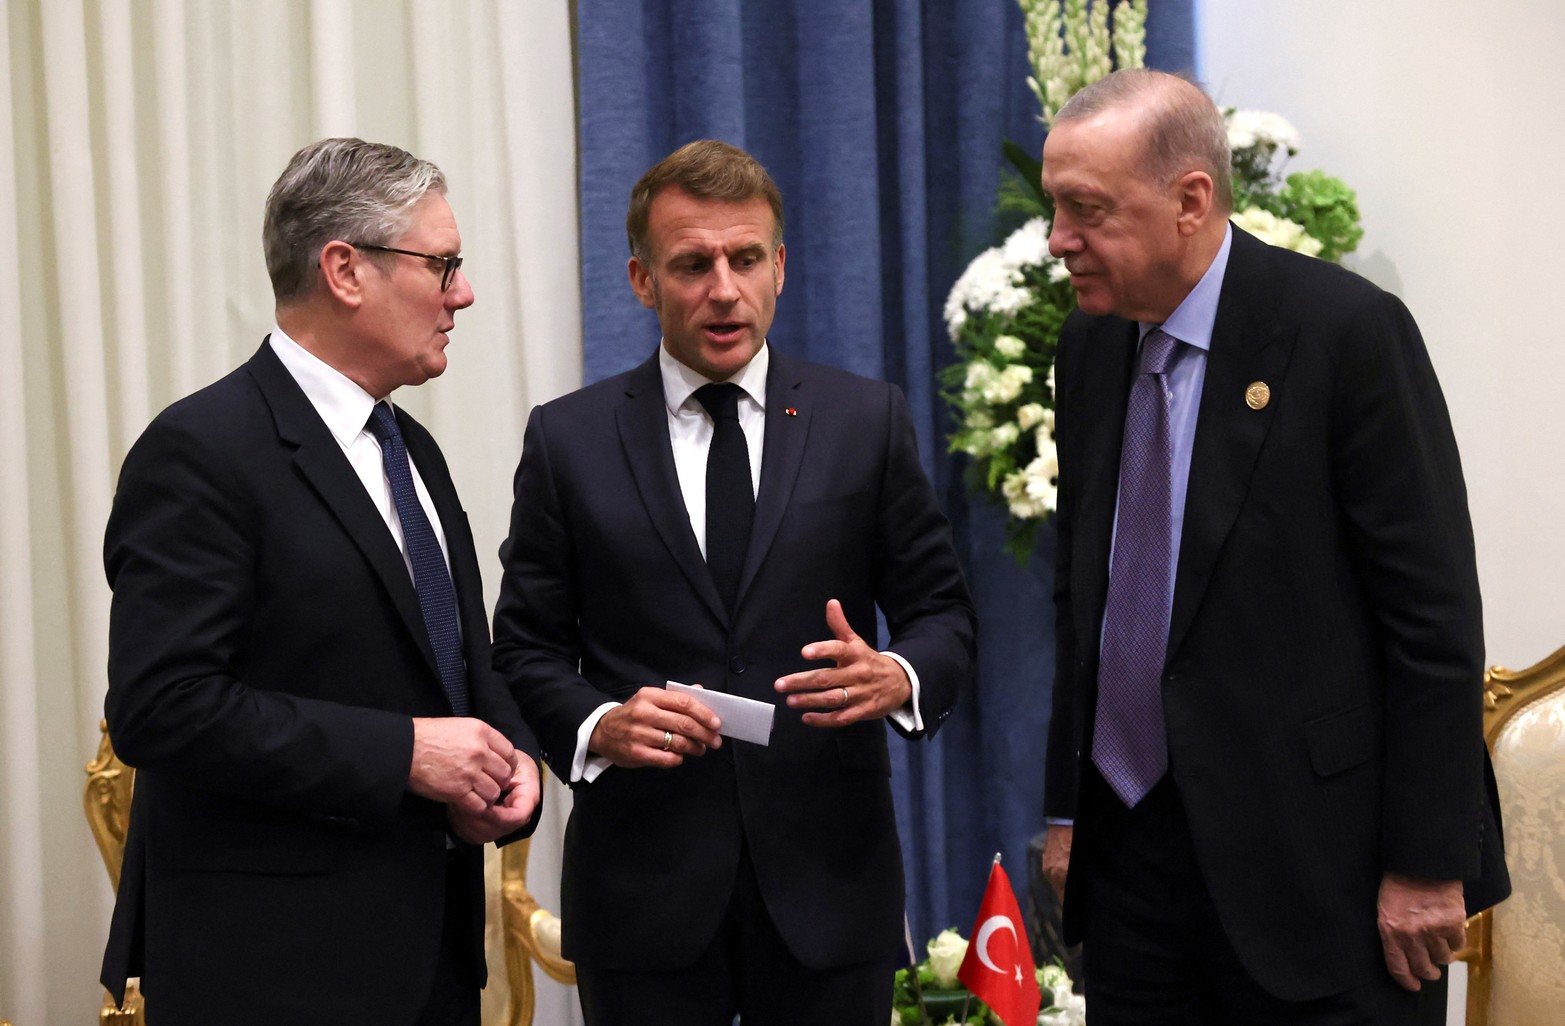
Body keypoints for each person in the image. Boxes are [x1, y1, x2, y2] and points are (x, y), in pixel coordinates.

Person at [1038, 69, 1510, 1024]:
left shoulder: (1344, 334)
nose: (1058, 241)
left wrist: (1424, 865)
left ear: (1190, 201)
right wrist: (1065, 810)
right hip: (1134, 872)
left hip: (1324, 876)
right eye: (1055, 208)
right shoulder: (1088, 348)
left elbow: (1431, 620)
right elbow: (1083, 600)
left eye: (1085, 210)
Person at [492, 139, 976, 1026]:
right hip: (644, 897)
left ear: (779, 267)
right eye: (691, 264)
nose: (723, 288)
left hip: (831, 890)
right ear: (641, 280)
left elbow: (942, 613)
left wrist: (898, 675)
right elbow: (522, 648)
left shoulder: (865, 421)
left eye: (745, 258)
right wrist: (601, 724)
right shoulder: (569, 439)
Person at [100, 138, 542, 1026]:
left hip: (432, 964)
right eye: (444, 264)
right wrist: (407, 756)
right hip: (271, 969)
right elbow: (164, 705)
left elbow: (454, 658)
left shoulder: (411, 447)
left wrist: (513, 763)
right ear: (345, 269)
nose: (462, 294)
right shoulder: (201, 450)